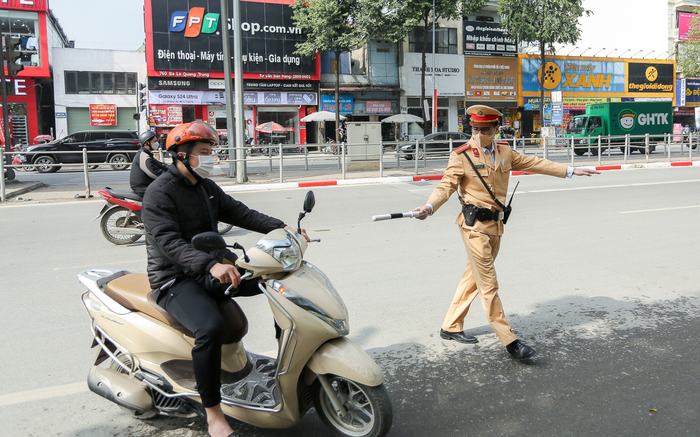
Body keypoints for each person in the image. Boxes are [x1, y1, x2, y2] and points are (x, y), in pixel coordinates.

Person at [141, 121, 309, 437]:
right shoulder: (158, 193)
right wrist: (209, 265)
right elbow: (168, 242)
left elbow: (242, 213)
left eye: (211, 152)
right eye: (204, 153)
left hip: (210, 268)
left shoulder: (206, 188)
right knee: (210, 328)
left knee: (274, 283)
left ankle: (284, 365)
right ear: (180, 155)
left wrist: (284, 229)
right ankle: (214, 416)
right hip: (174, 280)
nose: (211, 158)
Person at [411, 105, 600, 361]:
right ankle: (510, 341)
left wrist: (569, 170)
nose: (479, 135)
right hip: (473, 227)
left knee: (473, 276)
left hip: (496, 226)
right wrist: (429, 206)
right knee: (489, 284)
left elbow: (536, 162)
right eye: (475, 129)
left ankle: (451, 325)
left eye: (485, 130)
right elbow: (446, 186)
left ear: (496, 129)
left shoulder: (505, 151)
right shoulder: (461, 155)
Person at [130, 130, 169, 197]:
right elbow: (155, 173)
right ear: (147, 143)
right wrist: (170, 177)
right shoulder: (144, 157)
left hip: (147, 185)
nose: (157, 143)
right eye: (155, 141)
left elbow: (160, 164)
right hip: (142, 188)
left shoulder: (146, 154)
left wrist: (173, 167)